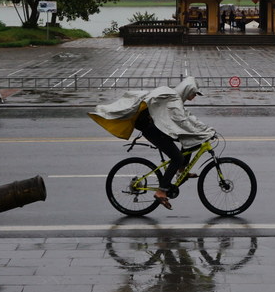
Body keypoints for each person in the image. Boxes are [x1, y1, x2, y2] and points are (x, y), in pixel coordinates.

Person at [88, 77, 215, 209]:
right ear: (188, 90)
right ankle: (161, 191)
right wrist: (204, 132)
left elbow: (187, 117)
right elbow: (183, 121)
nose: (194, 97)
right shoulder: (174, 100)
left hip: (156, 127)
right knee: (177, 157)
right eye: (194, 94)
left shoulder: (174, 96)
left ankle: (181, 171)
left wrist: (204, 129)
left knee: (190, 141)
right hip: (151, 129)